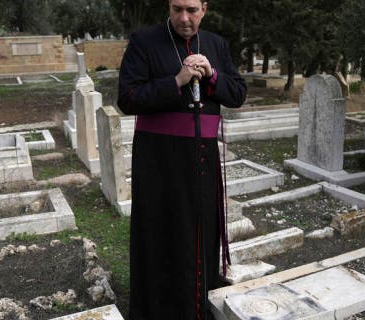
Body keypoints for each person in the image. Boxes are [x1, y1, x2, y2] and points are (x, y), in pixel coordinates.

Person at [117, 0, 247, 319]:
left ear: (205, 8)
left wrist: (213, 75)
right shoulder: (144, 41)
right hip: (158, 160)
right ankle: (161, 309)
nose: (184, 18)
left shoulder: (216, 44)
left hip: (202, 158)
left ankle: (197, 304)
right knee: (163, 233)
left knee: (200, 231)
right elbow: (127, 99)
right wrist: (176, 80)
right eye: (177, 9)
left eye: (191, 9)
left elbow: (238, 94)